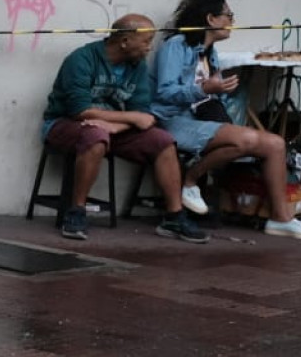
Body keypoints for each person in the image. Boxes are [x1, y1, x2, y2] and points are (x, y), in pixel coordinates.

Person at [151, 0, 301, 240]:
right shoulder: (176, 46)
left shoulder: (210, 53)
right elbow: (165, 93)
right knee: (247, 140)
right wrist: (203, 89)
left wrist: (217, 94)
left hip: (202, 119)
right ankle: (189, 181)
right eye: (229, 15)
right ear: (211, 18)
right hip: (174, 120)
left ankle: (281, 218)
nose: (232, 21)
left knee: (275, 144)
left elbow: (210, 94)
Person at [41, 14, 205, 243]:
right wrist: (130, 118)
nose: (149, 48)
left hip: (113, 128)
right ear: (125, 41)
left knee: (163, 141)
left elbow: (143, 112)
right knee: (96, 136)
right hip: (64, 124)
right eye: (146, 41)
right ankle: (76, 211)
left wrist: (116, 127)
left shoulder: (136, 66)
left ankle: (174, 217)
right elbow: (80, 110)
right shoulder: (82, 59)